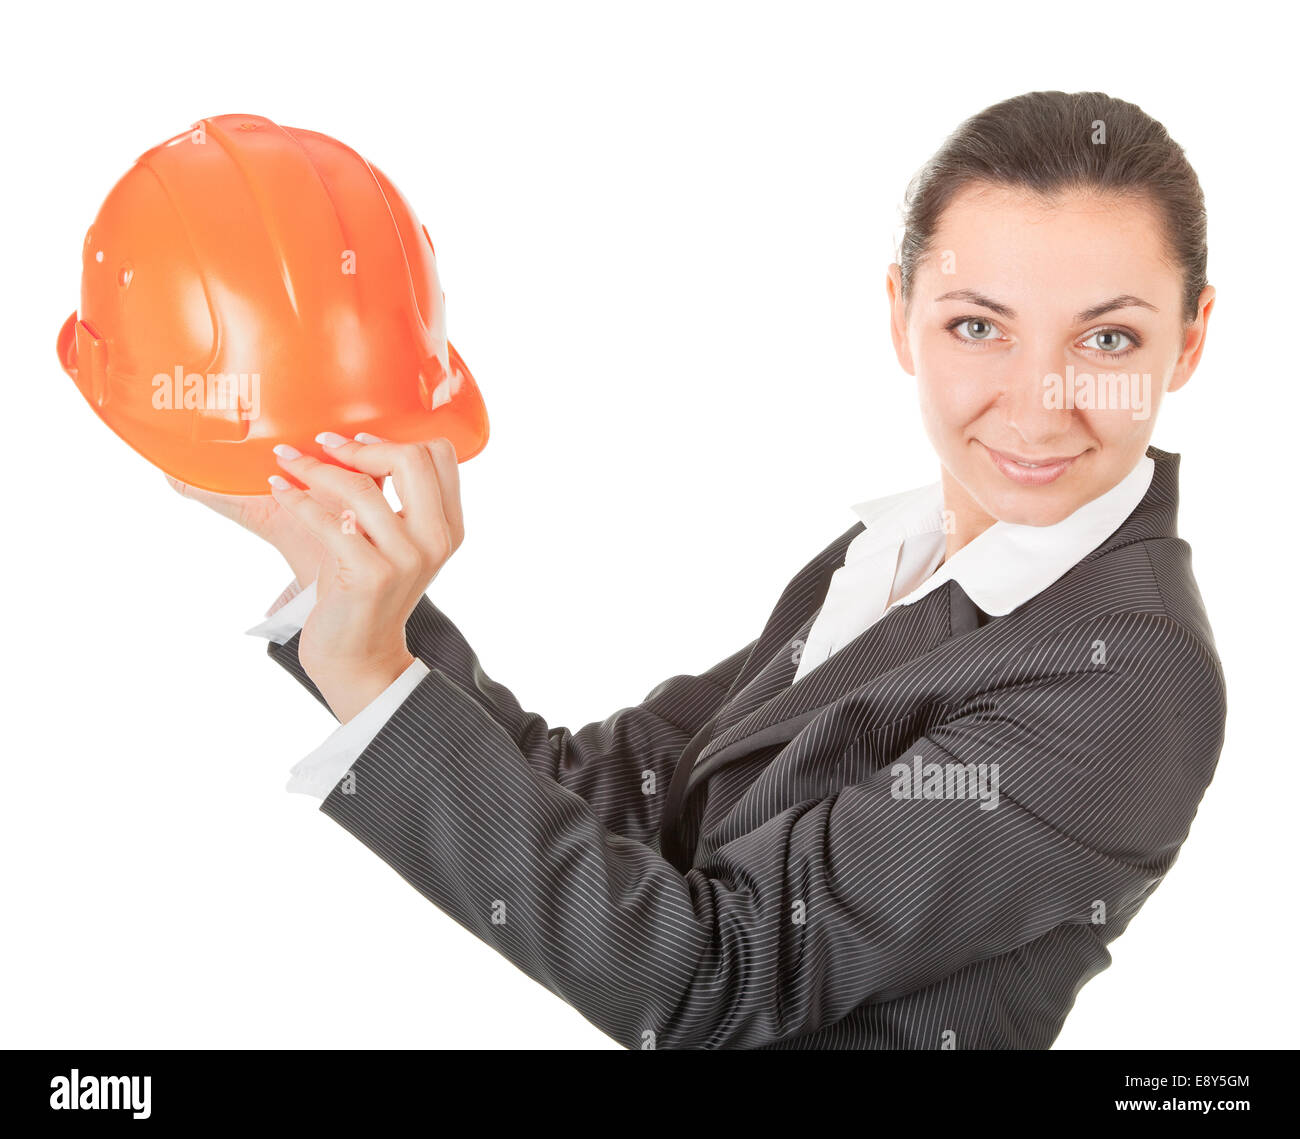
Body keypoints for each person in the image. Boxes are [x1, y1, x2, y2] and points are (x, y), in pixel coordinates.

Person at [172, 90, 1225, 1049]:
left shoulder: (1129, 673)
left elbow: (713, 973)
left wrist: (370, 677)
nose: (1037, 404)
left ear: (1187, 341)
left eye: (1107, 341)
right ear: (901, 314)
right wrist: (338, 581)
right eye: (977, 325)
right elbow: (622, 793)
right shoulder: (897, 551)